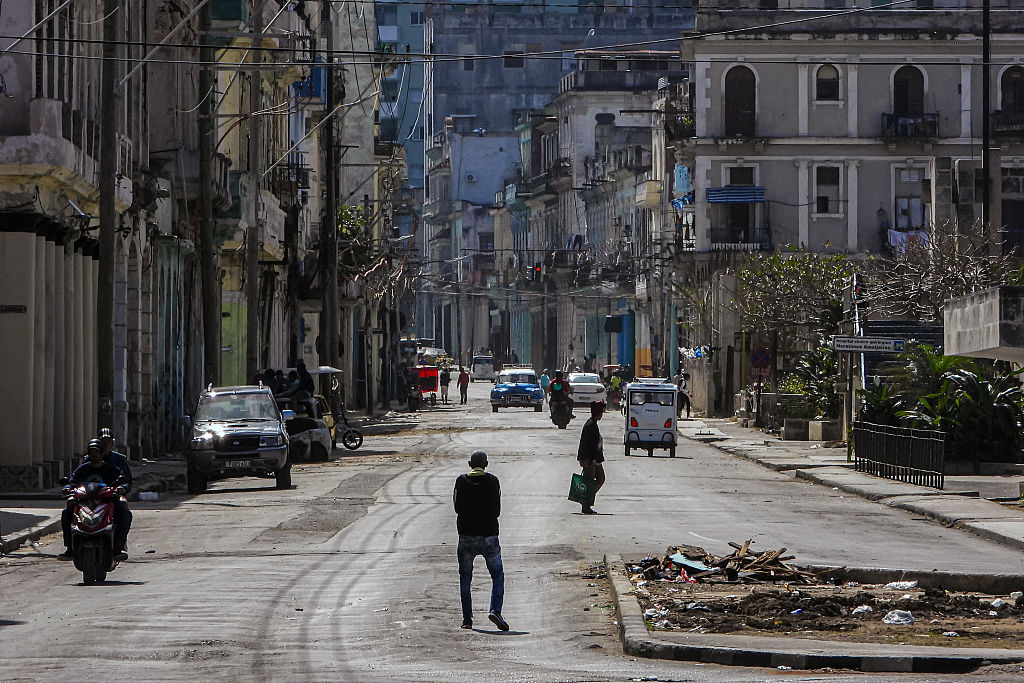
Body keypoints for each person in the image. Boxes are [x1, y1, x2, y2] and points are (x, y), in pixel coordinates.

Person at [453, 450, 509, 631]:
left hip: (466, 536)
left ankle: (467, 620)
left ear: (470, 464)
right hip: (489, 536)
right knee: (497, 575)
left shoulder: (461, 481)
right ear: (486, 464)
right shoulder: (493, 481)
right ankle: (495, 610)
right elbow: (497, 510)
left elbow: (457, 507)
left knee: (465, 578)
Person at [58, 439, 132, 561]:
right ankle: (70, 548)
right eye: (91, 452)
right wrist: (67, 488)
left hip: (107, 501)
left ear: (102, 453)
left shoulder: (111, 469)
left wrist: (122, 488)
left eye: (96, 452)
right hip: (84, 501)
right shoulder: (82, 469)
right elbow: (72, 482)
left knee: (125, 513)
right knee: (67, 511)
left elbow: (123, 482)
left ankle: (118, 548)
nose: (94, 455)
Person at [576, 401, 607, 515]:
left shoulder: (593, 424)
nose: (602, 415)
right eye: (601, 412)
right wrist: (584, 459)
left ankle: (586, 500)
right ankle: (586, 504)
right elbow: (585, 444)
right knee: (589, 482)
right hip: (590, 460)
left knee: (600, 479)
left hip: (596, 459)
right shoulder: (590, 425)